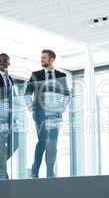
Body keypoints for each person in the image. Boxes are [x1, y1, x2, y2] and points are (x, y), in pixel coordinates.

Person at [25, 49, 70, 178]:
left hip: (55, 113)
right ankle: (35, 171)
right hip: (40, 113)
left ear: (51, 59)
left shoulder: (61, 75)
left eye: (44, 58)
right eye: (41, 58)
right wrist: (31, 108)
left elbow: (66, 95)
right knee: (43, 141)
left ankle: (50, 170)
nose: (42, 60)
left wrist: (61, 108)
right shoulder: (35, 74)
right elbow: (27, 94)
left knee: (53, 143)